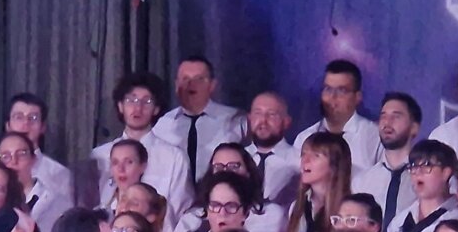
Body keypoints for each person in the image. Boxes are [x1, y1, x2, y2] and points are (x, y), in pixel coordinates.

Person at [93, 72, 192, 210]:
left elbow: (180, 210)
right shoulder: (99, 156)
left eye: (147, 102)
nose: (138, 108)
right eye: (130, 100)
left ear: (156, 109)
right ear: (120, 106)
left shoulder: (174, 158)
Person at [152, 54, 245, 182]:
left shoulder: (234, 121)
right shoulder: (163, 125)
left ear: (212, 85)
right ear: (176, 85)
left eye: (199, 79)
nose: (191, 85)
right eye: (185, 79)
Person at [284, 130, 353, 232]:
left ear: (334, 165)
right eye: (303, 154)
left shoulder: (348, 210)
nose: (305, 161)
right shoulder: (298, 207)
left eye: (315, 156)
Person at [297, 58, 380, 174]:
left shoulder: (374, 136)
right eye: (328, 89)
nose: (332, 97)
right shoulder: (304, 138)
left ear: (358, 97)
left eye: (341, 90)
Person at [389, 137, 458, 232]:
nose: (418, 173)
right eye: (414, 166)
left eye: (427, 166)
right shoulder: (399, 220)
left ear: (446, 172)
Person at [358, 91, 424, 228]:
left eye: (396, 116)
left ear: (414, 128)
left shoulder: (426, 179)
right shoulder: (362, 182)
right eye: (383, 116)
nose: (387, 122)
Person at [3, 93, 75, 217]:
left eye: (33, 118)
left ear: (42, 127)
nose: (26, 123)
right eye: (18, 117)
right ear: (8, 125)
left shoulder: (60, 174)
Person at [0, 129, 71, 232]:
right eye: (6, 156)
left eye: (21, 154)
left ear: (34, 159)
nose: (13, 162)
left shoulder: (55, 200)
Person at [241, 90, 302, 207]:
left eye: (272, 114)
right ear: (249, 118)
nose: (263, 120)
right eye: (258, 113)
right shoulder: (237, 159)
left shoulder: (299, 162)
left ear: (286, 122)